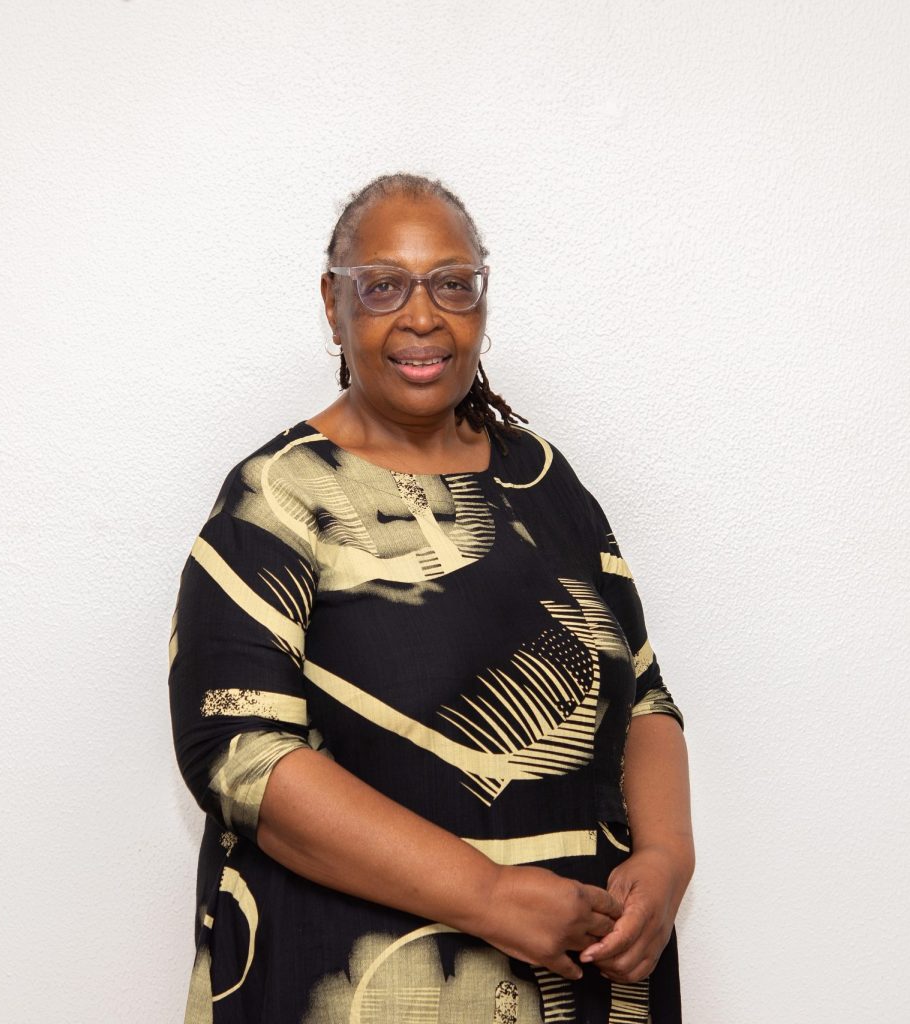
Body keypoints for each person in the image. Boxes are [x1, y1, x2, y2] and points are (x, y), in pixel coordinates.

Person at [168, 173, 694, 1024]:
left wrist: (668, 860)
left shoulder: (543, 481)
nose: (423, 316)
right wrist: (488, 895)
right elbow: (239, 753)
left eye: (453, 284)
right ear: (333, 304)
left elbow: (644, 696)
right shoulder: (278, 500)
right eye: (384, 285)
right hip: (362, 988)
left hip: (591, 976)